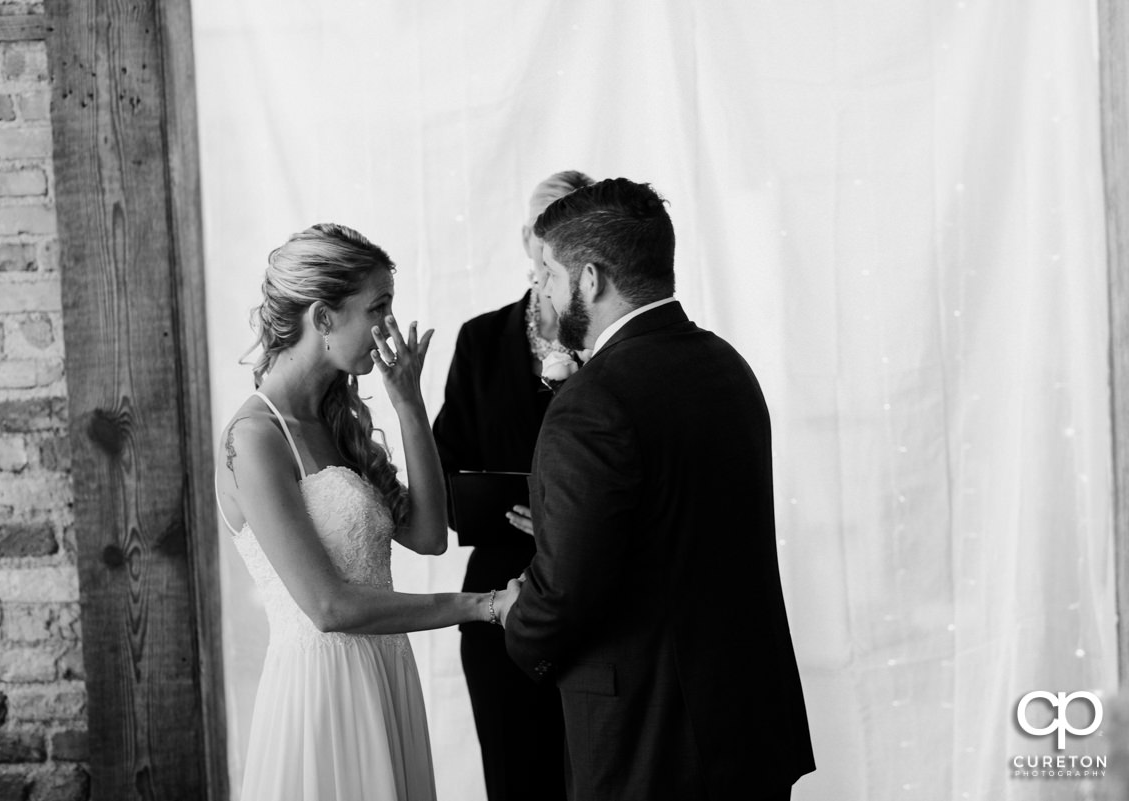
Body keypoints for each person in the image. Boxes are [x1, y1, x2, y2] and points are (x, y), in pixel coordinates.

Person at [499, 179, 816, 800]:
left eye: (549, 276)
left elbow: (566, 590)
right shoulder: (725, 364)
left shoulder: (591, 402)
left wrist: (518, 620)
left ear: (589, 279)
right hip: (745, 720)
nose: (541, 292)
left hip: (649, 740)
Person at [214, 223, 519, 801]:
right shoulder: (254, 438)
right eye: (377, 308)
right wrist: (483, 605)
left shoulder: (333, 421)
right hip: (322, 692)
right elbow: (327, 607)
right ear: (323, 316)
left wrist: (409, 404)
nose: (389, 327)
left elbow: (429, 536)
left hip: (385, 673)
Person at [432, 170, 593, 801]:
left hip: (591, 588)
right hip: (499, 592)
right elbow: (446, 467)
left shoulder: (609, 343)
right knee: (514, 774)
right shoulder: (481, 339)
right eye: (542, 227)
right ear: (527, 237)